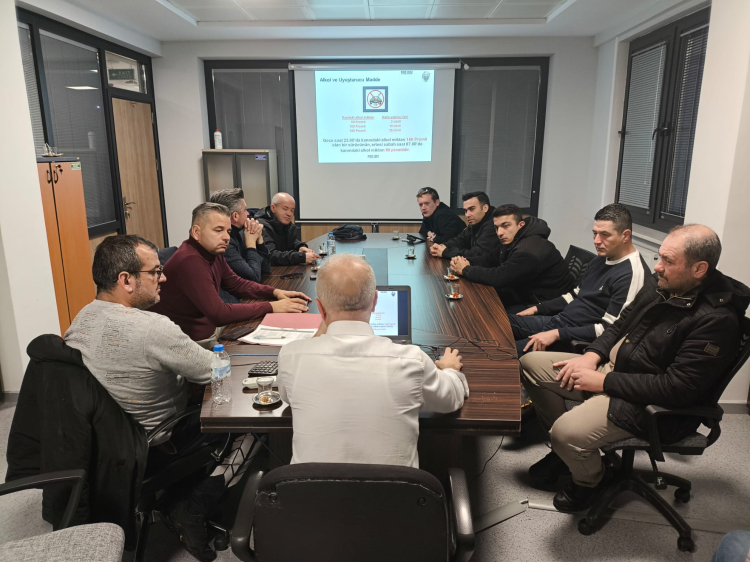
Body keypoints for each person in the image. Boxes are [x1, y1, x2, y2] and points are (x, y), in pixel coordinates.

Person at [520, 225, 749, 513]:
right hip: (614, 370)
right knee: (531, 364)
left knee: (565, 432)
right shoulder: (662, 284)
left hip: (647, 401)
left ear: (699, 269)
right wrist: (592, 355)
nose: (658, 266)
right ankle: (571, 454)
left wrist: (603, 383)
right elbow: (620, 324)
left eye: (668, 260)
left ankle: (590, 481)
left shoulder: (716, 320)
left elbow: (677, 388)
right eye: (660, 256)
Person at [65, 235, 245, 561]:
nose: (163, 278)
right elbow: (216, 370)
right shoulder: (153, 328)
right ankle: (194, 505)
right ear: (126, 280)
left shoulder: (81, 320)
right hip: (155, 444)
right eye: (155, 272)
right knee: (249, 421)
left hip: (103, 448)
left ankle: (179, 493)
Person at [277, 253, 470, 468]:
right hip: (396, 490)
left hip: (308, 490)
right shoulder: (412, 360)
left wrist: (327, 319)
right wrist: (450, 370)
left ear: (320, 308)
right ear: (375, 301)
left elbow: (288, 396)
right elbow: (451, 400)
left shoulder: (291, 356)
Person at [151, 202, 311, 349]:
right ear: (196, 232)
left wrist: (274, 292)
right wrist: (271, 306)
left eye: (228, 231)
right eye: (218, 230)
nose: (226, 237)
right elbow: (219, 314)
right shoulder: (190, 260)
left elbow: (237, 284)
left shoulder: (212, 252)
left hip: (210, 327)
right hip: (192, 341)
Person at [510, 204, 651, 355]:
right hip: (559, 322)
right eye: (595, 233)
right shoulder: (601, 258)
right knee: (499, 323)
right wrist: (538, 309)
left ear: (625, 235)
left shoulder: (632, 274)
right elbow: (575, 295)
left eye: (605, 234)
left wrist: (558, 334)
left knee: (501, 354)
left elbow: (610, 330)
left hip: (572, 339)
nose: (597, 241)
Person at [450, 204, 574, 311]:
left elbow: (500, 277)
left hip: (544, 305)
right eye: (497, 227)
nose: (499, 233)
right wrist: (466, 261)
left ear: (521, 225)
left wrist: (466, 270)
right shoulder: (514, 239)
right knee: (477, 299)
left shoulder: (528, 250)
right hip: (523, 293)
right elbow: (490, 258)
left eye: (506, 226)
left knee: (489, 315)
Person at [209, 188, 270, 283]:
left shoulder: (242, 231)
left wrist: (259, 240)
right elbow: (253, 277)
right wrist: (251, 246)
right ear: (235, 216)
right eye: (245, 210)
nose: (248, 213)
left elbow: (266, 268)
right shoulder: (224, 243)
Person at [430, 191, 500, 260]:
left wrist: (445, 252)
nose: (467, 215)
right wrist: (441, 246)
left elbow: (477, 254)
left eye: (471, 209)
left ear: (485, 208)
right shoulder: (476, 221)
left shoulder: (494, 224)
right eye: (465, 211)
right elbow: (461, 240)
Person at [255, 192, 319, 265]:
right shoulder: (261, 226)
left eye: (292, 210)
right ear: (273, 208)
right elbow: (271, 255)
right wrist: (301, 257)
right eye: (285, 209)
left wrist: (300, 247)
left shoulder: (282, 222)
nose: (289, 214)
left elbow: (290, 240)